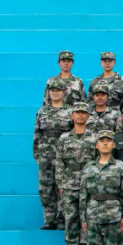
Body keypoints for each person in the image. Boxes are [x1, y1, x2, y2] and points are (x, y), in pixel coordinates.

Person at [57, 103, 96, 245]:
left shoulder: (94, 138)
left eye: (83, 113)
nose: (80, 116)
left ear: (88, 116)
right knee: (71, 219)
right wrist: (60, 184)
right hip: (69, 184)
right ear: (72, 116)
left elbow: (98, 162)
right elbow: (59, 162)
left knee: (87, 219)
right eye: (77, 113)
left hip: (88, 184)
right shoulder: (64, 138)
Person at [34, 77, 72, 230]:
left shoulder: (70, 112)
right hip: (45, 154)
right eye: (53, 90)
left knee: (62, 186)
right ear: (49, 93)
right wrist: (37, 153)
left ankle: (62, 219)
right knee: (46, 187)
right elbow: (37, 133)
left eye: (58, 90)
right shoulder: (42, 111)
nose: (55, 93)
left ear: (64, 92)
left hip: (63, 155)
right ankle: (50, 219)